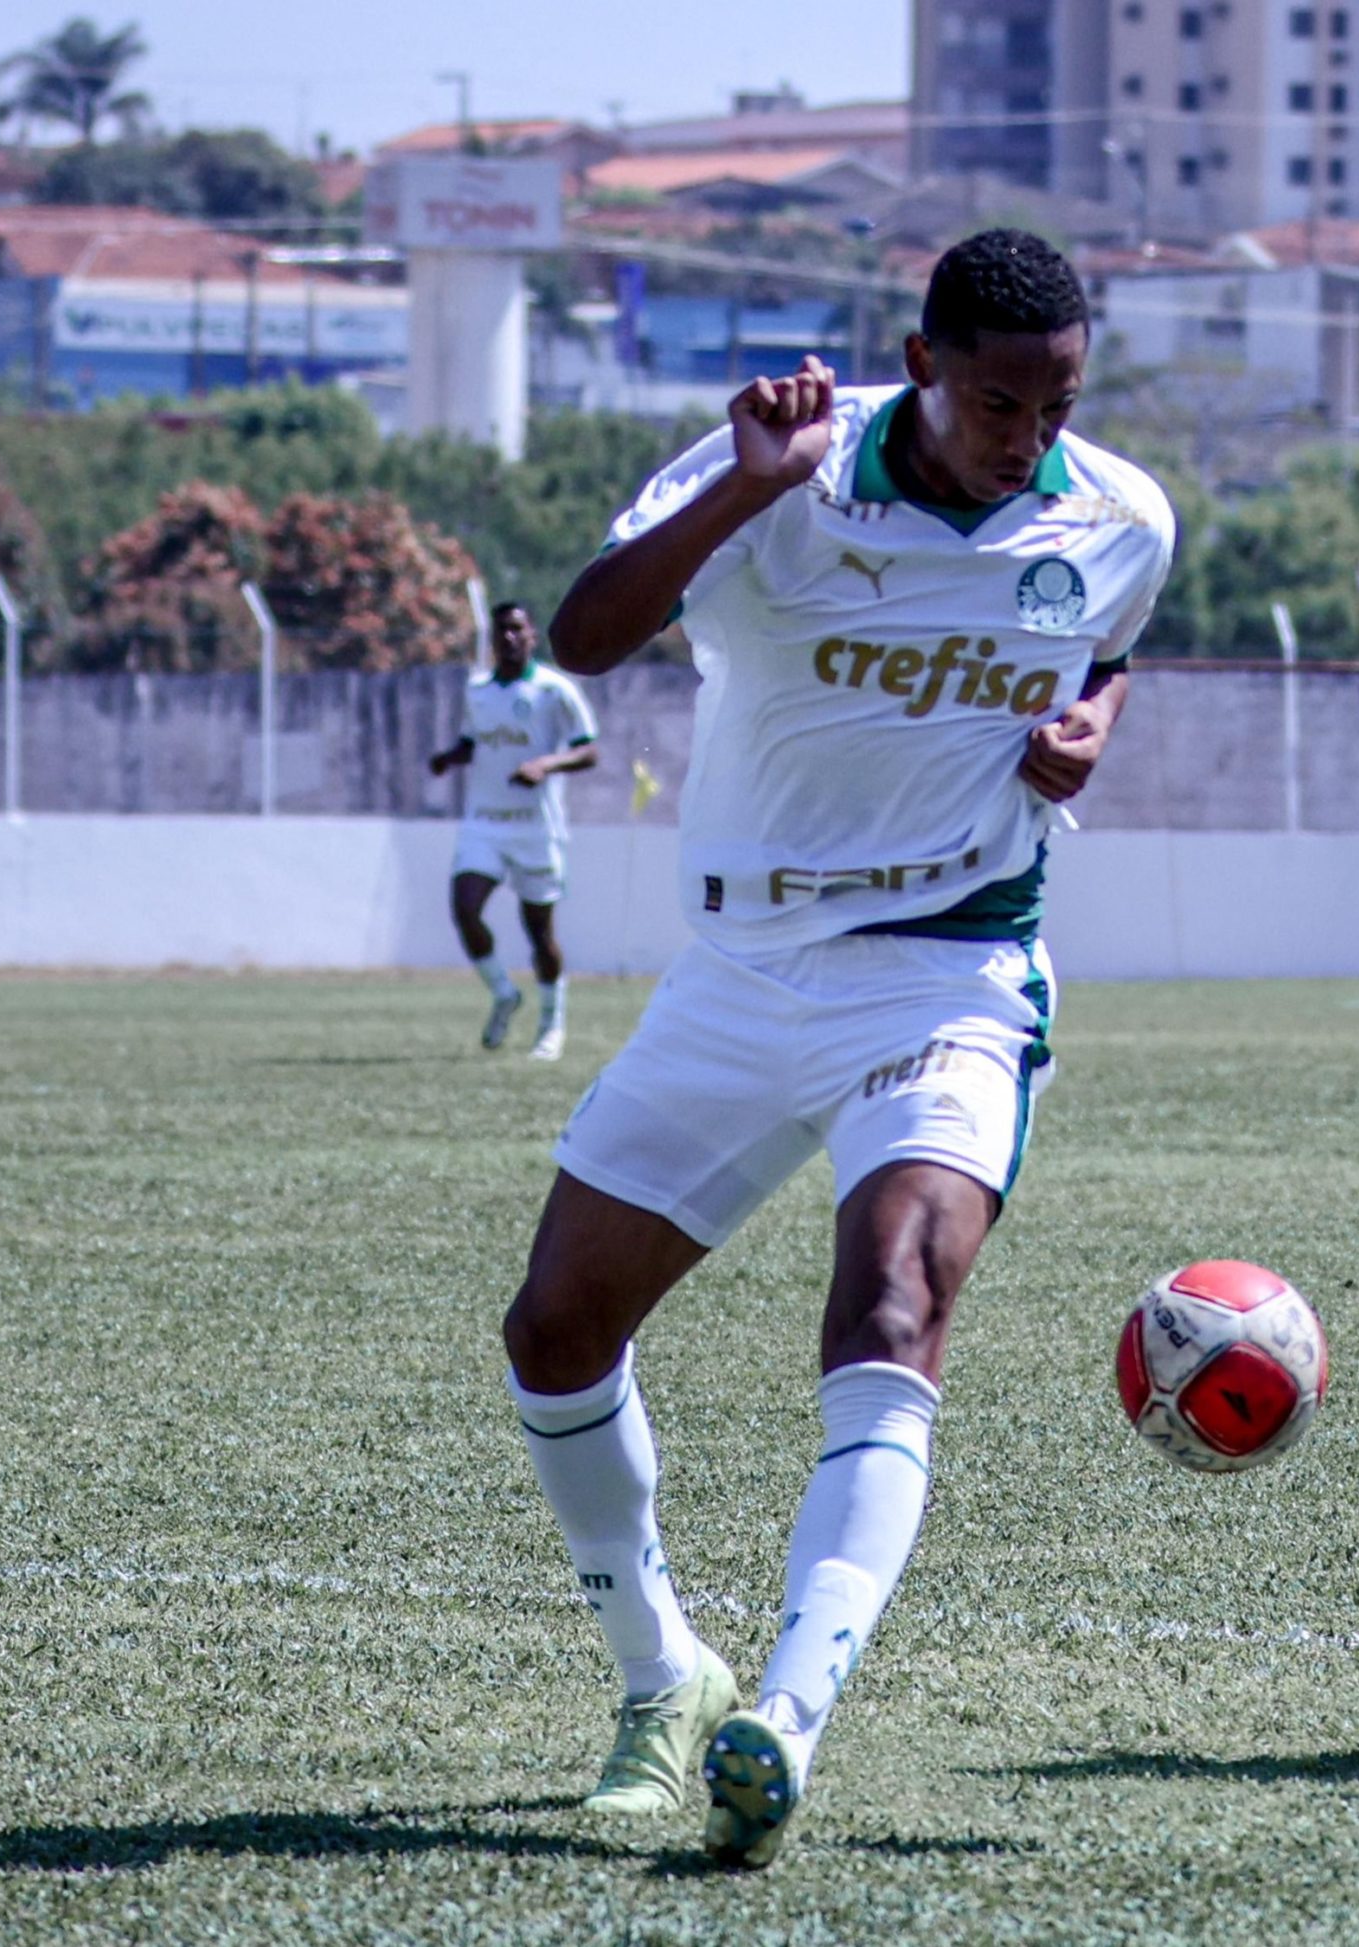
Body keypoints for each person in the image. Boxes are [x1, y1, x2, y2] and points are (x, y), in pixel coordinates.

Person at [498, 229, 1174, 1869]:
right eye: (999, 403)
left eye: (1058, 406)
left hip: (948, 973)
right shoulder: (780, 462)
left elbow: (1105, 647)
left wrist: (1092, 721)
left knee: (891, 1304)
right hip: (741, 971)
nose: (1030, 439)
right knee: (556, 1328)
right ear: (921, 364)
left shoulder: (1119, 515)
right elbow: (584, 635)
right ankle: (665, 1675)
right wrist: (745, 488)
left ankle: (782, 1723)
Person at [426, 602, 600, 1061]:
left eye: (517, 629)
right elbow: (473, 743)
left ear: (532, 636)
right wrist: (449, 758)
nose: (509, 637)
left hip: (536, 827)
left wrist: (546, 764)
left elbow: (588, 751)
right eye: (501, 630)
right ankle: (504, 993)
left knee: (539, 932)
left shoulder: (554, 690)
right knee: (465, 908)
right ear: (492, 639)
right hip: (484, 822)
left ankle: (551, 1026)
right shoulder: (478, 690)